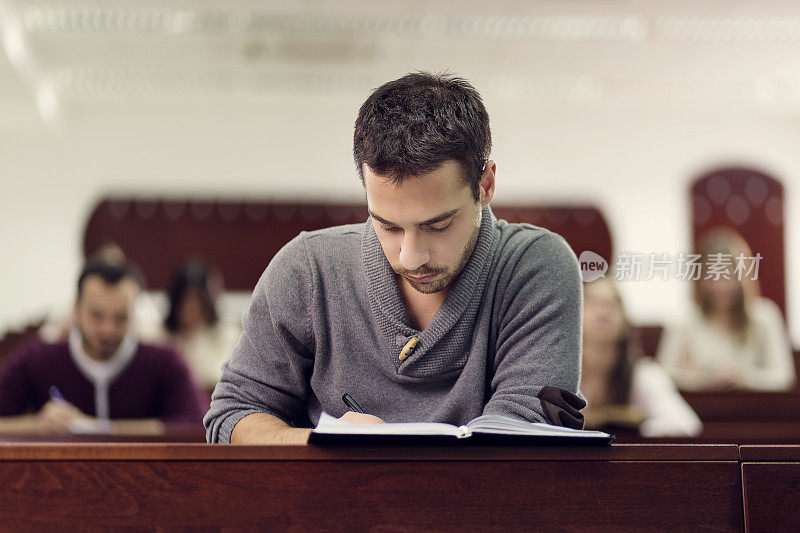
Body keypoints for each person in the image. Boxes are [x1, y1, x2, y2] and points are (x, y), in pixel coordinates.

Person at [205, 71, 584, 444]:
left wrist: (386, 462)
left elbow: (524, 445)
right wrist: (322, 446)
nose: (411, 256)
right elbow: (233, 414)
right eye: (387, 226)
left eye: (438, 225)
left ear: (485, 186)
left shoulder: (536, 268)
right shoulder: (307, 271)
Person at [0, 260, 206, 435]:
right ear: (76, 309)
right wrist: (37, 425)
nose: (107, 330)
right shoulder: (37, 359)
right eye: (96, 315)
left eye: (120, 318)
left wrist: (97, 428)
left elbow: (198, 425)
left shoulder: (164, 361)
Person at [657, 229, 795, 392]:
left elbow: (784, 377)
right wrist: (701, 379)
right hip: (700, 411)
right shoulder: (685, 318)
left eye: (729, 275)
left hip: (755, 410)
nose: (721, 285)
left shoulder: (764, 316)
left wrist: (744, 377)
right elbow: (661, 375)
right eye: (713, 276)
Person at [581, 278, 702, 437]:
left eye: (612, 303)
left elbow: (687, 425)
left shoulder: (643, 373)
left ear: (625, 321)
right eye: (592, 301)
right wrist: (611, 416)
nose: (603, 310)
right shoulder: (559, 372)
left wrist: (634, 426)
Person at [161, 260, 241, 390]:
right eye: (186, 303)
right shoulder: (162, 336)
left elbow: (219, 377)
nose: (192, 310)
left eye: (198, 304)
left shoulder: (227, 333)